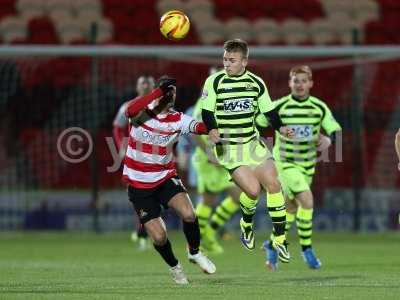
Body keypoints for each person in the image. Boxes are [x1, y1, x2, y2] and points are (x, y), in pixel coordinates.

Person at [200, 39, 294, 263]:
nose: (226, 64)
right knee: (252, 191)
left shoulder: (256, 83)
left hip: (253, 145)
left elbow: (269, 112)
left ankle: (280, 240)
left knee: (274, 184)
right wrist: (212, 129)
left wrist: (281, 127)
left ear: (244, 61)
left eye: (231, 60)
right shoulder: (214, 82)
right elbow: (206, 111)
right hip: (229, 148)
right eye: (224, 59)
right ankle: (246, 225)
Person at [123, 75, 216, 284]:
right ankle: (175, 266)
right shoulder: (141, 113)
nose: (171, 95)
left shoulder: (178, 119)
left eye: (173, 91)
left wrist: (216, 124)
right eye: (167, 90)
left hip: (164, 177)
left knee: (189, 214)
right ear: (157, 92)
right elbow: (129, 111)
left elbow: (201, 127)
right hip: (139, 186)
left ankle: (194, 252)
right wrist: (157, 93)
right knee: (159, 237)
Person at [257, 65, 342, 270]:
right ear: (290, 83)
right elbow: (258, 121)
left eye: (304, 81)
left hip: (307, 167)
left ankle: (272, 244)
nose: (300, 84)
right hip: (285, 164)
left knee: (291, 208)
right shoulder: (280, 106)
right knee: (307, 200)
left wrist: (329, 141)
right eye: (296, 80)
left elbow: (335, 129)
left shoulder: (318, 107)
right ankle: (307, 249)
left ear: (310, 83)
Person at [113, 75, 155, 251]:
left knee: (155, 196)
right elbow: (117, 127)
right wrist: (121, 146)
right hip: (136, 156)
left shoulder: (161, 106)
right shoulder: (128, 106)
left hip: (156, 156)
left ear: (154, 87)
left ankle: (143, 232)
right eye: (142, 83)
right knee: (140, 195)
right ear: (137, 87)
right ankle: (143, 232)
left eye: (148, 83)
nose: (145, 85)